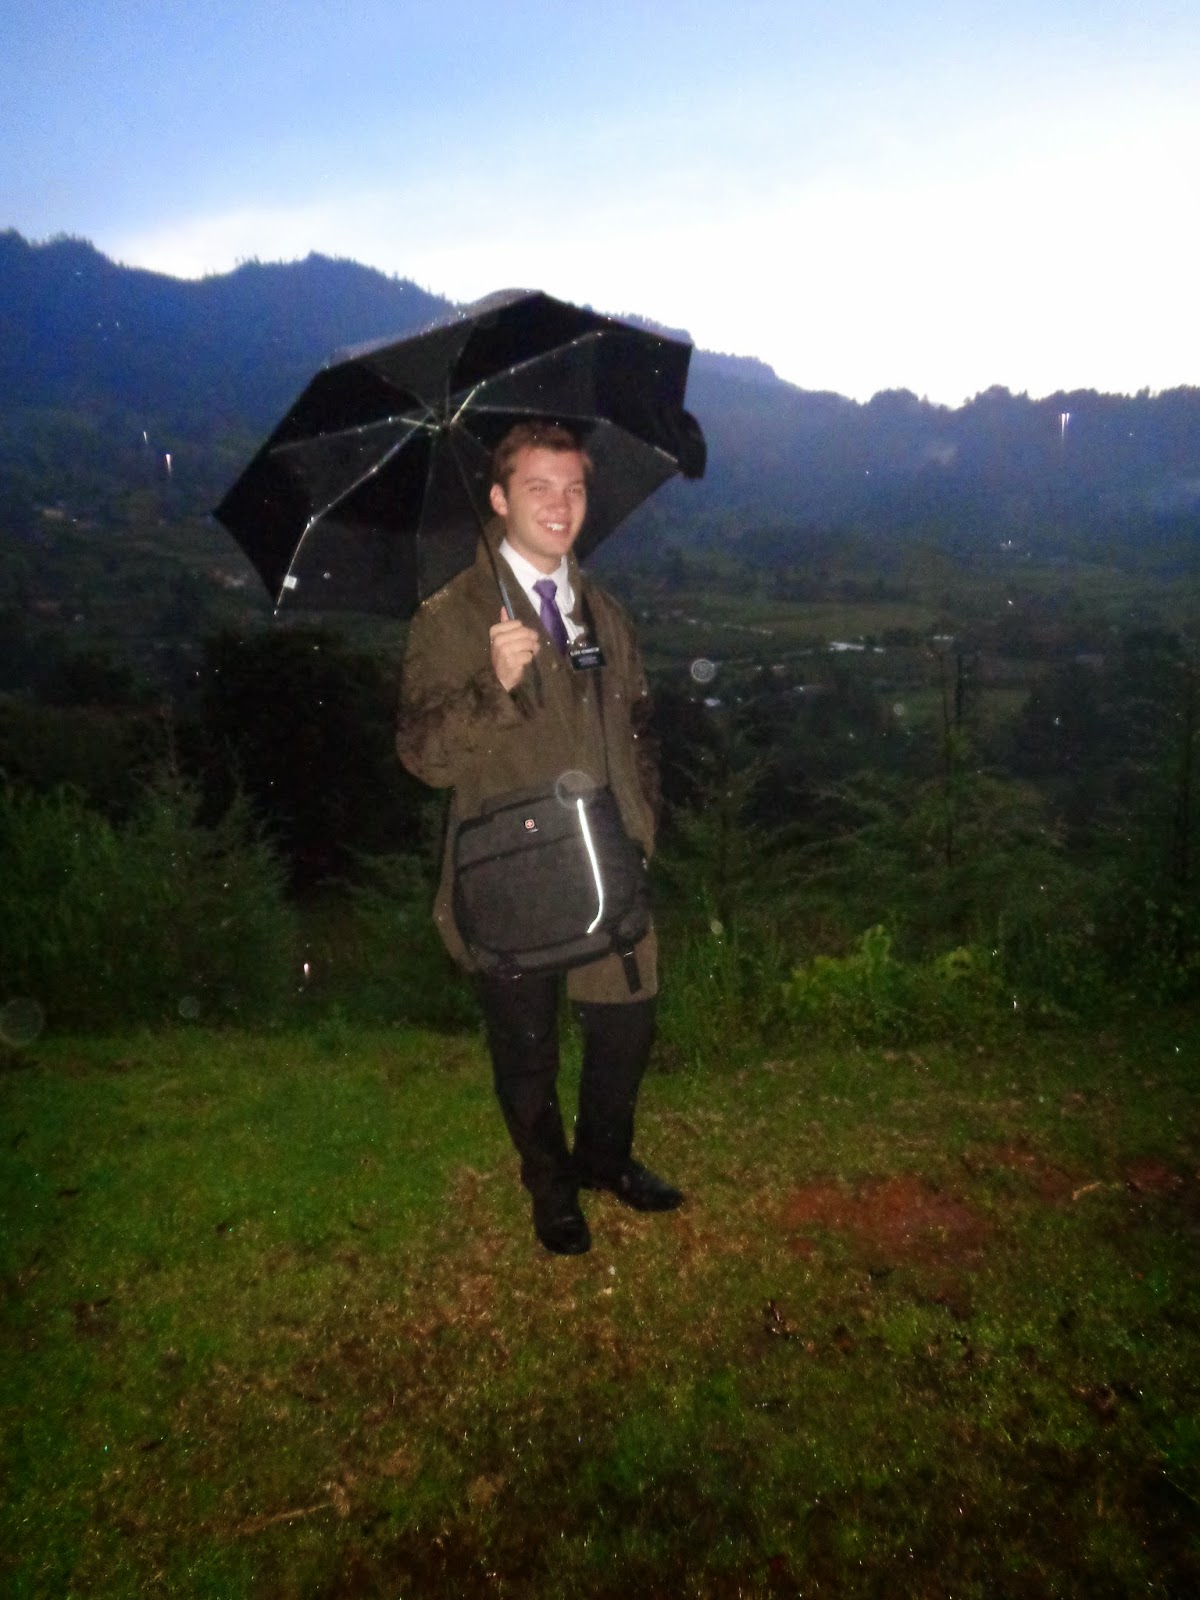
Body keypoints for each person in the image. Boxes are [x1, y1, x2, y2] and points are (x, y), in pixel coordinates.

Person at [397, 421, 682, 1255]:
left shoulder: (605, 613)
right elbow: (422, 757)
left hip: (608, 862)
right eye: (538, 488)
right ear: (497, 497)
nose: (561, 506)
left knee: (626, 1023)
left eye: (574, 488)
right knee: (526, 1049)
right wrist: (494, 685)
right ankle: (551, 1188)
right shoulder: (449, 617)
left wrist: (644, 823)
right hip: (511, 873)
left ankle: (605, 1159)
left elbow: (639, 728)